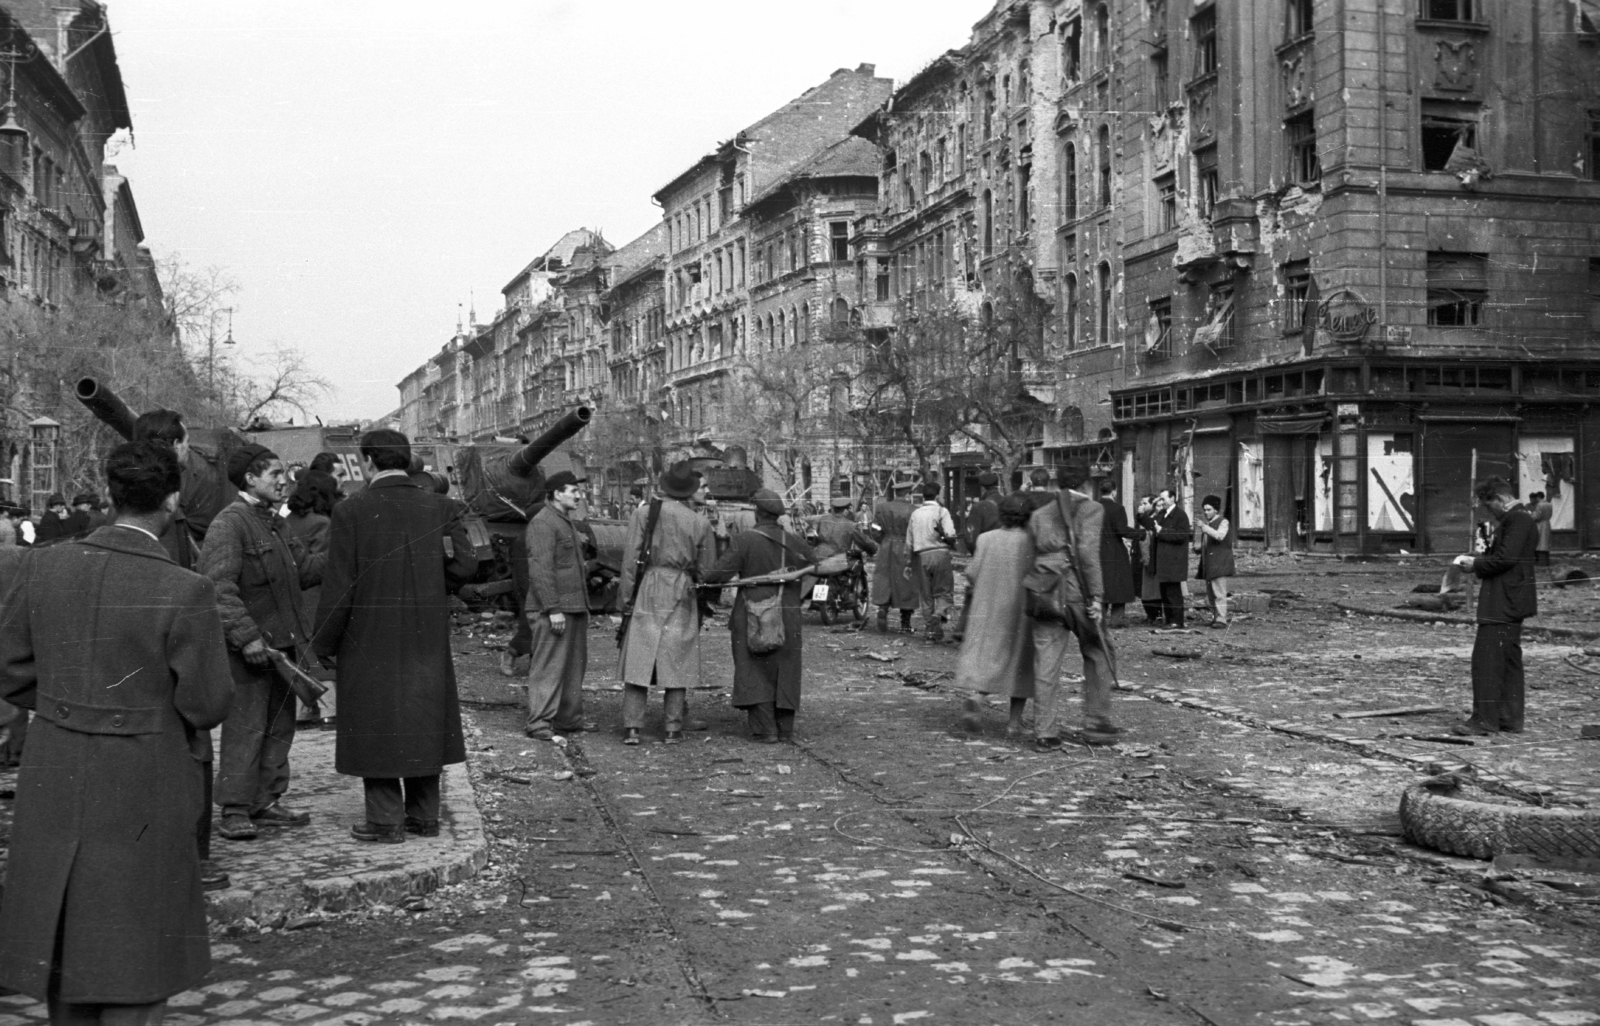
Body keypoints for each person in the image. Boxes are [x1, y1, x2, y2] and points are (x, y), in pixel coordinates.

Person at [0, 440, 234, 1022]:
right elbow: (206, 704)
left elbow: (7, 666)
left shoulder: (42, 565)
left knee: (65, 932)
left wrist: (66, 701)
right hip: (143, 771)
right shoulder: (186, 589)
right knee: (137, 941)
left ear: (108, 493)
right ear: (173, 501)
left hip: (55, 762)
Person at [314, 429, 477, 843]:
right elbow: (464, 568)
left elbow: (339, 585)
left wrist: (324, 642)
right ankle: (425, 816)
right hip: (425, 633)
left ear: (368, 462)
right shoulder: (442, 506)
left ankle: (385, 820)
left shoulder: (350, 511)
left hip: (368, 635)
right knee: (424, 714)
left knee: (378, 721)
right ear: (406, 460)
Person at [200, 443, 326, 842]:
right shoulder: (230, 523)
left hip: (282, 648)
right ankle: (235, 809)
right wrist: (247, 638)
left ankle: (266, 802)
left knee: (278, 726)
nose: (285, 481)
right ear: (250, 479)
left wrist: (349, 548)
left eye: (285, 473)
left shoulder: (276, 523)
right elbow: (218, 588)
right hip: (251, 650)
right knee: (246, 728)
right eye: (275, 474)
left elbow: (304, 571)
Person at [704, 489, 816, 743]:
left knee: (752, 666)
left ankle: (765, 728)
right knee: (786, 667)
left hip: (752, 610)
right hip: (787, 611)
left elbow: (717, 575)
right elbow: (818, 566)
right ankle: (785, 728)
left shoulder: (745, 540)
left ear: (757, 513)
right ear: (778, 515)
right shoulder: (793, 541)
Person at [617, 462, 715, 745]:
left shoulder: (644, 514)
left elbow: (629, 561)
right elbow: (707, 570)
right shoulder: (700, 522)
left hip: (648, 585)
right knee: (678, 657)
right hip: (681, 589)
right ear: (690, 490)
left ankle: (632, 727)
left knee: (640, 654)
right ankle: (672, 728)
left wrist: (624, 601)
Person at [1028, 459, 1119, 750]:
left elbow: (1032, 554)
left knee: (1046, 663)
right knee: (1098, 651)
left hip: (1044, 591)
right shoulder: (1092, 509)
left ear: (1057, 483)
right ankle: (1096, 722)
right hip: (1077, 592)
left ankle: (1045, 732)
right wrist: (1097, 597)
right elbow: (1087, 555)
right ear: (1086, 483)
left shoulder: (1040, 514)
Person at [1450, 477, 1537, 736]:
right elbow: (1506, 556)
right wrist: (1482, 558)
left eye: (1490, 507)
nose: (1491, 513)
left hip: (1504, 600)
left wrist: (1475, 565)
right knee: (1508, 660)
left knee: (1487, 659)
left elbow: (1506, 559)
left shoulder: (1518, 519)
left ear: (1500, 499)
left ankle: (1484, 719)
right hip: (1512, 598)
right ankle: (1508, 718)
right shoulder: (1521, 519)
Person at [523, 470, 597, 741]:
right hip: (554, 610)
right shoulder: (543, 523)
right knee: (549, 667)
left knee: (574, 668)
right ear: (557, 494)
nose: (579, 495)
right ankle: (539, 723)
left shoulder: (564, 521)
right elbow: (541, 570)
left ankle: (569, 719)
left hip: (574, 607)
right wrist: (552, 608)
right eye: (574, 491)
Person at [956, 493, 1036, 737]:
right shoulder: (1032, 541)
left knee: (987, 656)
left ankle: (977, 697)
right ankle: (1014, 723)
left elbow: (971, 573)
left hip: (987, 607)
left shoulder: (985, 538)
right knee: (1021, 663)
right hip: (1020, 609)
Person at [284, 473, 337, 725]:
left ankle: (303, 712)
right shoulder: (322, 523)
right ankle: (329, 710)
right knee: (320, 654)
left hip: (290, 598)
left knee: (300, 655)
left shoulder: (284, 521)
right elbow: (324, 565)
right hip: (315, 597)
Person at [906, 480, 958, 641]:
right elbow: (950, 534)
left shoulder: (915, 514)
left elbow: (909, 541)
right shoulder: (942, 511)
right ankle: (939, 613)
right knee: (944, 592)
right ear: (937, 495)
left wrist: (908, 562)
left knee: (926, 596)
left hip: (921, 556)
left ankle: (931, 630)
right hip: (940, 554)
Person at [869, 481, 918, 633]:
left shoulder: (882, 508)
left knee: (884, 578)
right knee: (906, 582)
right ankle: (905, 622)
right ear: (908, 493)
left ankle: (883, 608)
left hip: (886, 546)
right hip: (905, 546)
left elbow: (874, 528)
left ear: (895, 493)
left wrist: (882, 540)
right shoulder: (913, 510)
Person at [1097, 480, 1138, 628]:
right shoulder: (1118, 508)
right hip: (1115, 550)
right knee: (1120, 586)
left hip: (1098, 550)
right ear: (1114, 491)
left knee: (1101, 586)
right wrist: (1140, 533)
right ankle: (1116, 620)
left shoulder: (1094, 507)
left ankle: (1099, 621)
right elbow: (1122, 530)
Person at [1194, 494, 1236, 629]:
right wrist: (1200, 549)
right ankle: (1216, 617)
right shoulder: (1209, 524)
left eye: (1209, 509)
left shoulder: (1223, 522)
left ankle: (1222, 619)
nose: (1206, 513)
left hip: (1220, 563)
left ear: (1216, 510)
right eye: (1204, 510)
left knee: (1219, 592)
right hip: (1209, 564)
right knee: (1211, 593)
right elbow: (1211, 542)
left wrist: (1204, 528)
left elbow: (1219, 536)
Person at [1152, 489, 1191, 629]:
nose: (1161, 502)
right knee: (1165, 592)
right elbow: (1150, 524)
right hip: (1163, 560)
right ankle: (1169, 620)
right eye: (1160, 499)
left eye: (1163, 499)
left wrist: (1162, 531)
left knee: (1173, 592)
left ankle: (1177, 621)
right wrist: (1143, 513)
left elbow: (1182, 535)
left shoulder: (1181, 515)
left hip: (1174, 560)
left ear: (1173, 498)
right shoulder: (1162, 514)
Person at [963, 471, 1003, 551]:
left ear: (982, 488)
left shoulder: (978, 507)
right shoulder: (1008, 502)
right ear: (997, 486)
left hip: (988, 554)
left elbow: (971, 540)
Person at [1530, 492, 1552, 567]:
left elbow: (1537, 516)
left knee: (1540, 543)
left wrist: (1531, 515)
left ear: (1538, 497)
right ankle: (1546, 561)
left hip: (1540, 525)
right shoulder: (1549, 504)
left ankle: (1541, 562)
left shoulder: (1539, 505)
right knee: (1545, 543)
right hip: (1547, 523)